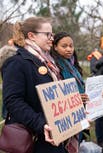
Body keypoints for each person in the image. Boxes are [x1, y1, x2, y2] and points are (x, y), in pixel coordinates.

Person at [1, 17, 69, 153]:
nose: (52, 38)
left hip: (54, 137)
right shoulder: (17, 63)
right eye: (47, 34)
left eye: (52, 34)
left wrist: (74, 113)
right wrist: (41, 123)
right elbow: (13, 101)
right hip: (34, 139)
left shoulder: (48, 63)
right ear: (31, 36)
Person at [50, 32, 90, 150]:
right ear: (55, 47)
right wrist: (76, 98)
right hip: (65, 117)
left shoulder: (73, 65)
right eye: (64, 46)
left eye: (71, 46)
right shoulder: (54, 67)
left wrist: (95, 94)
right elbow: (56, 93)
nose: (69, 49)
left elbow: (80, 86)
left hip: (79, 112)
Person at [87, 36, 103, 146]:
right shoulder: (96, 56)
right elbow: (94, 70)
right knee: (99, 117)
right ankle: (100, 141)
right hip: (98, 90)